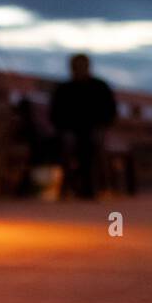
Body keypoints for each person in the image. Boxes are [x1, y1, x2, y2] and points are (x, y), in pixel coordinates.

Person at [49, 53, 117, 199]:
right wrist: (65, 131)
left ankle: (92, 187)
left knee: (91, 144)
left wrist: (101, 129)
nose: (79, 69)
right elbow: (56, 115)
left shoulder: (100, 87)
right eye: (76, 66)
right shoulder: (64, 89)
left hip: (94, 131)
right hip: (71, 132)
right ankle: (80, 187)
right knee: (73, 144)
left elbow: (110, 112)